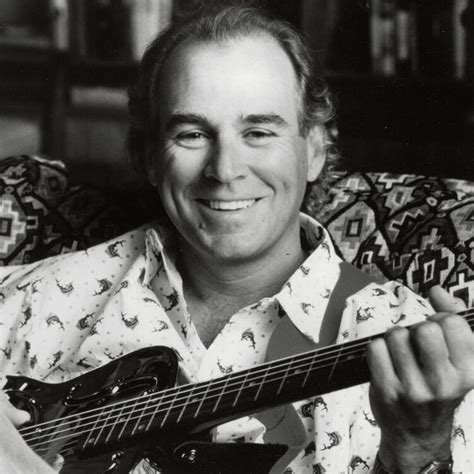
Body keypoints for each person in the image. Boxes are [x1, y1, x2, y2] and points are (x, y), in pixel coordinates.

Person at [0, 5, 472, 473]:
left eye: (259, 131)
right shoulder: (34, 300)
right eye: (192, 133)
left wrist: (417, 452)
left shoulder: (429, 357)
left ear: (314, 151)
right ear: (148, 156)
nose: (225, 170)